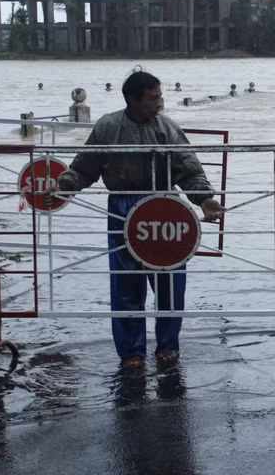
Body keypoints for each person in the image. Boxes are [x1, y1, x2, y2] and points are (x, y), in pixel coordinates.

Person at [51, 69, 224, 369]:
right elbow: (84, 167)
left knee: (170, 283)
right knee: (126, 283)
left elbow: (189, 169)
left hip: (165, 205)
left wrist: (205, 199)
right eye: (153, 98)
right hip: (123, 207)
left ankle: (167, 345)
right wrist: (64, 187)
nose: (160, 103)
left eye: (160, 96)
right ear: (133, 100)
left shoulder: (167, 128)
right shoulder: (108, 127)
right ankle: (131, 351)